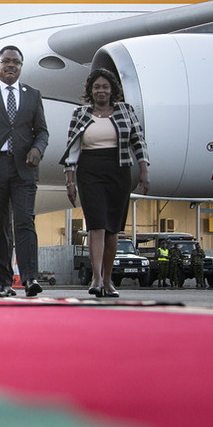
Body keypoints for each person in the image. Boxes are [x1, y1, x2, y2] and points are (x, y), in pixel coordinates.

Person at [61, 67, 150, 298]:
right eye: (97, 86)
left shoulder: (125, 110)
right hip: (90, 171)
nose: (101, 90)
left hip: (118, 170)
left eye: (105, 86)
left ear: (113, 90)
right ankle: (97, 278)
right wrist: (69, 181)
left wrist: (144, 170)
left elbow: (138, 141)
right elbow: (72, 148)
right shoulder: (80, 113)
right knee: (96, 225)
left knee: (112, 229)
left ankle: (109, 280)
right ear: (91, 90)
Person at [0, 45, 49, 298]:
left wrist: (38, 148)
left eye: (16, 62)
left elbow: (42, 131)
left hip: (25, 167)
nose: (11, 65)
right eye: (6, 61)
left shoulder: (33, 95)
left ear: (21, 66)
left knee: (25, 221)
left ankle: (30, 278)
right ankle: (2, 282)